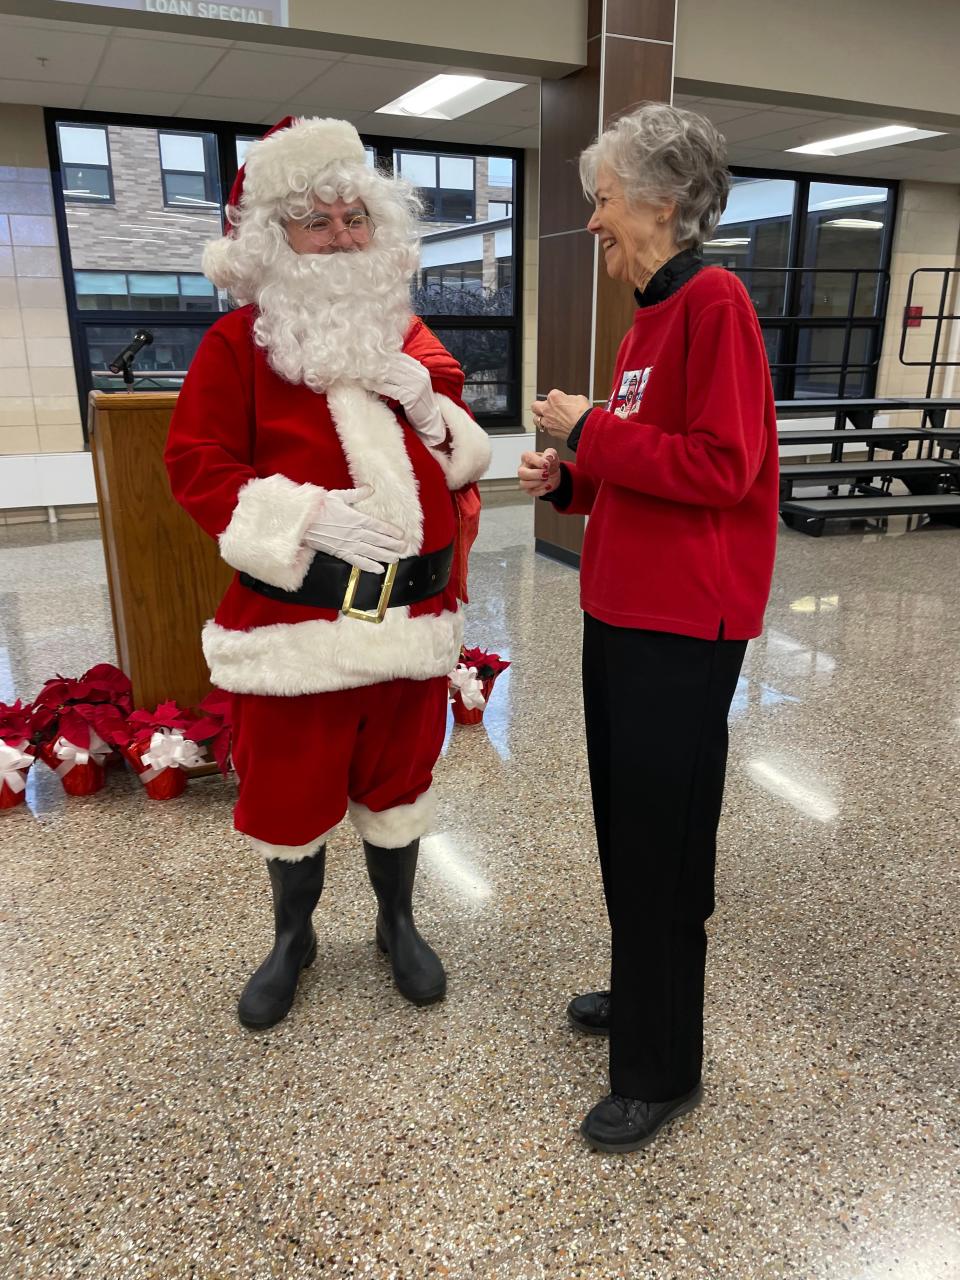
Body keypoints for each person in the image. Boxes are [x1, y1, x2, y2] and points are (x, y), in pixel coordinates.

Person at [166, 116, 491, 1029]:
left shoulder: (408, 336)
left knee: (401, 788)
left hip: (412, 624)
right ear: (276, 240)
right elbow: (197, 466)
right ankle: (292, 939)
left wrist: (434, 413)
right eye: (320, 221)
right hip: (297, 634)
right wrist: (306, 516)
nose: (344, 236)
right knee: (290, 798)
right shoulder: (237, 349)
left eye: (356, 217)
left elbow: (462, 465)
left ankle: (397, 921)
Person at [518, 103, 779, 1152]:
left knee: (665, 846)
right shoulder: (649, 316)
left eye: (605, 198)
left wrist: (592, 427)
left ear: (664, 202)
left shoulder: (715, 303)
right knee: (629, 827)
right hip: (621, 607)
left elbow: (725, 467)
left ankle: (662, 1069)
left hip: (683, 622)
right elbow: (647, 460)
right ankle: (644, 991)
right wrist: (575, 474)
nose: (594, 221)